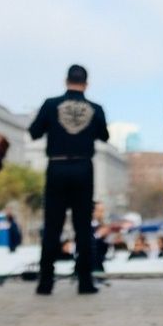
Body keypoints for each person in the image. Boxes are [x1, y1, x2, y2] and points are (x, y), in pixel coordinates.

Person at [29, 64, 109, 295]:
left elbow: (34, 131)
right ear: (86, 83)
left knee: (52, 225)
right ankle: (85, 282)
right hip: (83, 167)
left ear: (66, 81)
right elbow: (104, 135)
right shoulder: (95, 108)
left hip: (57, 165)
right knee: (83, 227)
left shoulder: (51, 105)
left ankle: (45, 282)